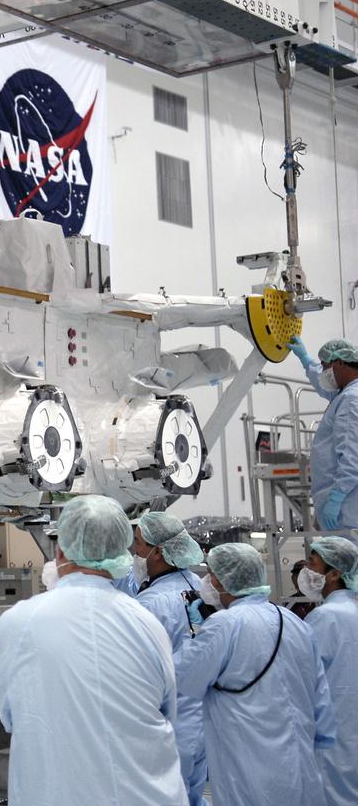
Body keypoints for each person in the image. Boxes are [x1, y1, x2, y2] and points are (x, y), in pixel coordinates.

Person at [0, 495, 188, 805]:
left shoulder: (19, 623)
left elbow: (11, 715)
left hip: (57, 792)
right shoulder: (146, 623)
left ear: (61, 551)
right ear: (121, 551)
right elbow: (167, 712)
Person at [174, 543, 336, 806]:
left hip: (250, 768)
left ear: (223, 579)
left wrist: (193, 631)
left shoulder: (224, 625)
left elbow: (184, 678)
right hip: (300, 765)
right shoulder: (294, 622)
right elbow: (322, 703)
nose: (208, 581)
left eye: (212, 574)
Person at [129, 512, 208, 806]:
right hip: (203, 721)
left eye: (138, 543)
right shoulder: (200, 587)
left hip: (169, 725)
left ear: (159, 551)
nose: (134, 552)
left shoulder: (151, 604)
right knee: (193, 796)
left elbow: (136, 673)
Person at [299, 536, 358, 805]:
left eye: (312, 564)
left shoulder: (325, 617)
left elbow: (302, 677)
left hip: (334, 732)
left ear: (334, 573)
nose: (306, 571)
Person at [288, 336, 358, 529]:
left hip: (347, 507)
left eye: (325, 366)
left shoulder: (351, 400)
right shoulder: (345, 393)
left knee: (345, 557)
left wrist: (336, 499)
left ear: (340, 363)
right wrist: (305, 359)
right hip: (347, 504)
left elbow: (352, 457)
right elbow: (323, 385)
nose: (324, 373)